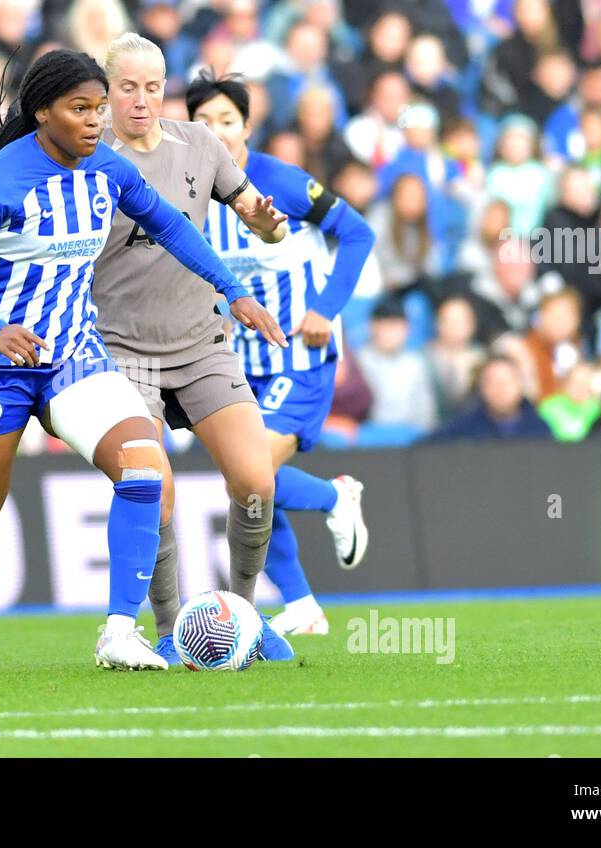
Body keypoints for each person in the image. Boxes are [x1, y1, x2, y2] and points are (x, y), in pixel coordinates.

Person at [0, 49, 286, 677]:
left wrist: (234, 289)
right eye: (80, 109)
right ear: (43, 114)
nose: (95, 121)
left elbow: (170, 225)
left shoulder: (106, 166)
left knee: (143, 469)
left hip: (72, 356)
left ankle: (119, 630)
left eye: (97, 108)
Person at [92, 35, 299, 663]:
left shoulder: (201, 146)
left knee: (255, 480)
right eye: (127, 86)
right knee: (154, 486)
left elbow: (261, 217)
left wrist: (267, 222)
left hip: (202, 342)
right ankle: (167, 629)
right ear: (105, 91)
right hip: (124, 349)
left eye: (152, 87)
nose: (141, 99)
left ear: (167, 89)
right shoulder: (85, 156)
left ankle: (243, 617)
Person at [190, 71, 374, 641]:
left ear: (247, 126)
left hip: (300, 353)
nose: (215, 132)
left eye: (226, 121)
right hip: (236, 363)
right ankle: (302, 605)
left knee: (251, 474)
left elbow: (359, 233)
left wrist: (325, 307)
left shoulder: (280, 181)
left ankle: (334, 496)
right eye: (202, 123)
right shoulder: (189, 191)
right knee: (248, 486)